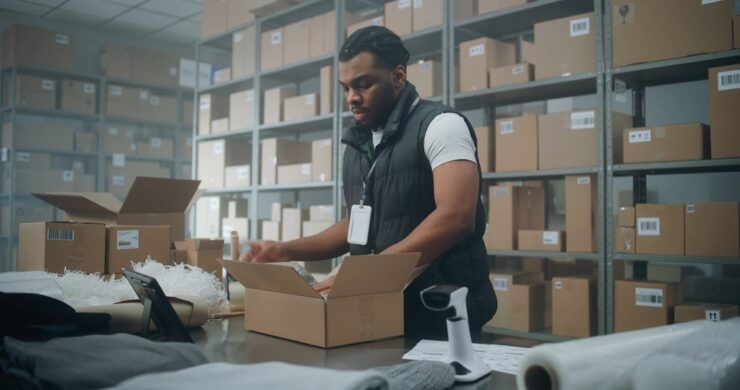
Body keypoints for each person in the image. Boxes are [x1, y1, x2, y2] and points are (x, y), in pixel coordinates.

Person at [240, 26, 496, 339]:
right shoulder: (358, 144)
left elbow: (456, 217)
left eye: (363, 85)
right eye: (345, 87)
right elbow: (355, 224)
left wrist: (368, 275)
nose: (352, 98)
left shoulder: (442, 126)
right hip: (379, 309)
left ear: (398, 76)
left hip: (442, 311)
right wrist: (286, 250)